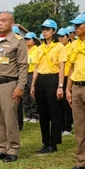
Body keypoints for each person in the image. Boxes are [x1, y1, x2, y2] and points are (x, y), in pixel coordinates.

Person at [0, 13, 28, 162]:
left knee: (10, 119)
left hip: (9, 85)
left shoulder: (17, 42)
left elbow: (23, 66)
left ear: (12, 23)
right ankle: (2, 148)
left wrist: (20, 87)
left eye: (4, 21)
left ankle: (13, 149)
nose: (0, 23)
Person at [31, 19, 66, 154]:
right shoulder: (39, 49)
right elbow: (36, 67)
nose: (45, 32)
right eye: (43, 29)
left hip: (53, 79)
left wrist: (60, 86)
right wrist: (33, 85)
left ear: (54, 31)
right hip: (41, 79)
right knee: (43, 113)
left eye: (47, 29)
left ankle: (54, 143)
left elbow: (62, 67)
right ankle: (45, 142)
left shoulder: (59, 47)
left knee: (54, 112)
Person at [66, 13, 85, 169]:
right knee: (80, 127)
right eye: (74, 25)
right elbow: (71, 67)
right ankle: (82, 162)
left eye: (79, 25)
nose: (75, 28)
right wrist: (68, 88)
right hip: (77, 88)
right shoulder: (74, 45)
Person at [57, 28, 73, 136]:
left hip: (69, 77)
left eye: (62, 36)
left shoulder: (71, 47)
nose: (60, 38)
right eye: (59, 36)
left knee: (68, 103)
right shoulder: (58, 47)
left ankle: (68, 126)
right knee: (60, 103)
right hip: (60, 77)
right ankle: (62, 126)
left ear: (68, 37)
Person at [22, 32, 39, 123]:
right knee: (24, 95)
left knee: (32, 94)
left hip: (32, 73)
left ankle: (35, 115)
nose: (27, 41)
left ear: (34, 40)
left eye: (29, 39)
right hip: (24, 73)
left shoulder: (37, 50)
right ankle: (28, 114)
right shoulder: (24, 49)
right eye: (26, 39)